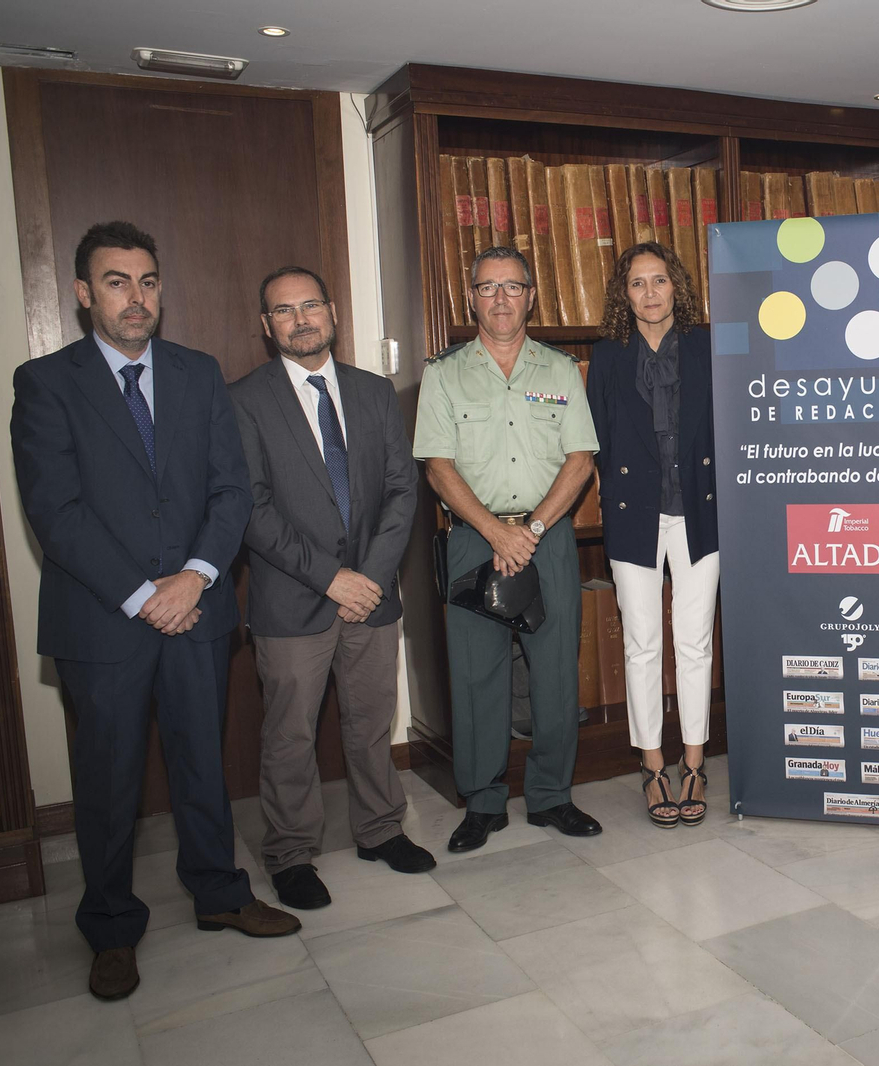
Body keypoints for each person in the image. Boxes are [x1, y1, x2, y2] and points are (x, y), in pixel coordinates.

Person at [9, 222, 299, 1001]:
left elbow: (230, 489)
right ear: (82, 293)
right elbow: (56, 512)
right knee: (108, 783)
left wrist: (196, 576)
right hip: (103, 623)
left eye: (147, 281)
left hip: (197, 609)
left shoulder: (198, 374)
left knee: (204, 760)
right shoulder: (43, 383)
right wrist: (145, 594)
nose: (135, 298)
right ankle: (109, 927)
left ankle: (221, 895)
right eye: (115, 281)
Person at [229, 265, 434, 910]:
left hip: (372, 596)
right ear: (267, 326)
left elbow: (403, 489)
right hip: (293, 600)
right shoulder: (245, 400)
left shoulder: (375, 393)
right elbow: (252, 510)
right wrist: (331, 577)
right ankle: (290, 853)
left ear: (333, 311)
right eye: (284, 311)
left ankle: (380, 831)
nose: (300, 320)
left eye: (310, 305)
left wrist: (368, 577)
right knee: (289, 735)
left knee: (371, 721)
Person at [413, 245, 603, 851]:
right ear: (470, 297)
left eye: (512, 287)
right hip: (475, 540)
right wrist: (498, 534)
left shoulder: (560, 371)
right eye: (487, 287)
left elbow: (581, 460)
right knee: (477, 678)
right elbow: (438, 468)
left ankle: (551, 797)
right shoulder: (443, 374)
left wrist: (533, 530)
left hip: (547, 541)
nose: (500, 299)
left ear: (531, 296)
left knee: (554, 676)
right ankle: (484, 804)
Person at [587, 243, 718, 828]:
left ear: (676, 287)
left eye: (659, 280)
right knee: (642, 644)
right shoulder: (607, 357)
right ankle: (651, 764)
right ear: (625, 294)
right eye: (637, 283)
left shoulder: (707, 347)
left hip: (700, 512)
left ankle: (694, 762)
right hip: (632, 514)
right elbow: (596, 441)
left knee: (694, 642)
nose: (649, 293)